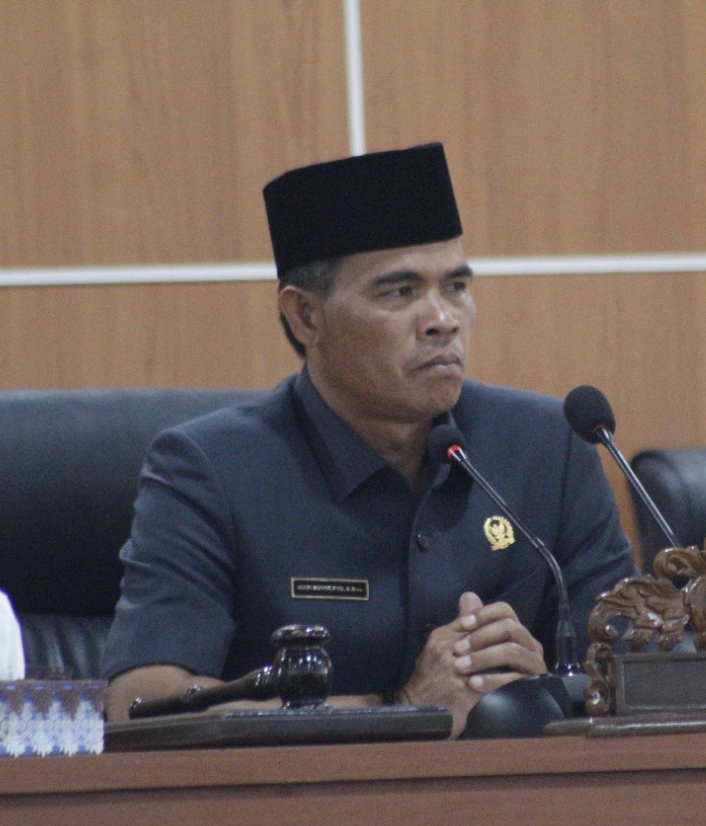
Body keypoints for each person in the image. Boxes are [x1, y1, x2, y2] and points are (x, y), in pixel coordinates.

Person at [100, 143, 635, 733]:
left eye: (456, 286)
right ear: (306, 317)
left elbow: (632, 673)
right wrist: (404, 712)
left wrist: (549, 688)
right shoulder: (211, 470)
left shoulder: (549, 447)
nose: (443, 319)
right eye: (400, 293)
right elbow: (141, 706)